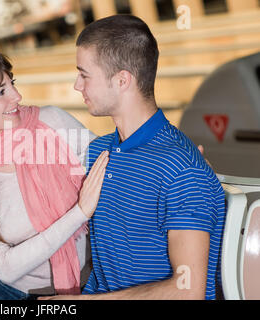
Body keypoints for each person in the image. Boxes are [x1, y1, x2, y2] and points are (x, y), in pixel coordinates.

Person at [40, 14, 226, 300]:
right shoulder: (98, 152)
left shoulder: (181, 170)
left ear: (122, 80)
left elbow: (188, 290)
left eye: (84, 74)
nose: (77, 86)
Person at [0, 46, 110, 299]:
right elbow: (4, 267)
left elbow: (119, 173)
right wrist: (79, 213)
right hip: (14, 292)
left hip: (96, 279)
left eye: (12, 83)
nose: (17, 96)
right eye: (1, 92)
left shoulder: (53, 122)